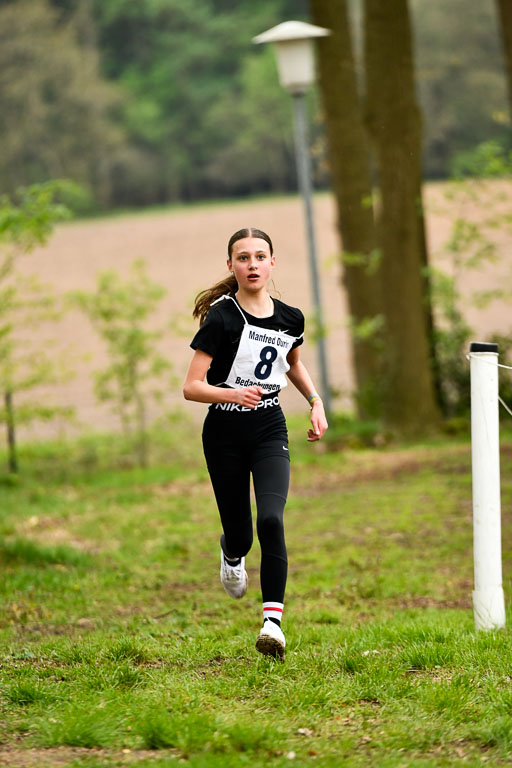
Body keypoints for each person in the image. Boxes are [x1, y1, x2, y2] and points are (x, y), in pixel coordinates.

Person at [183, 227, 328, 660]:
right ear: (231, 266)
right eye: (242, 258)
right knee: (243, 535)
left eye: (259, 256)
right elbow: (192, 387)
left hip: (268, 427)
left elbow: (292, 365)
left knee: (272, 519)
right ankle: (231, 553)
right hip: (224, 432)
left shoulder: (290, 318)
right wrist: (231, 393)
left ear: (272, 263)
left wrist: (316, 402)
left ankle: (273, 624)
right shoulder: (222, 318)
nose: (252, 264)